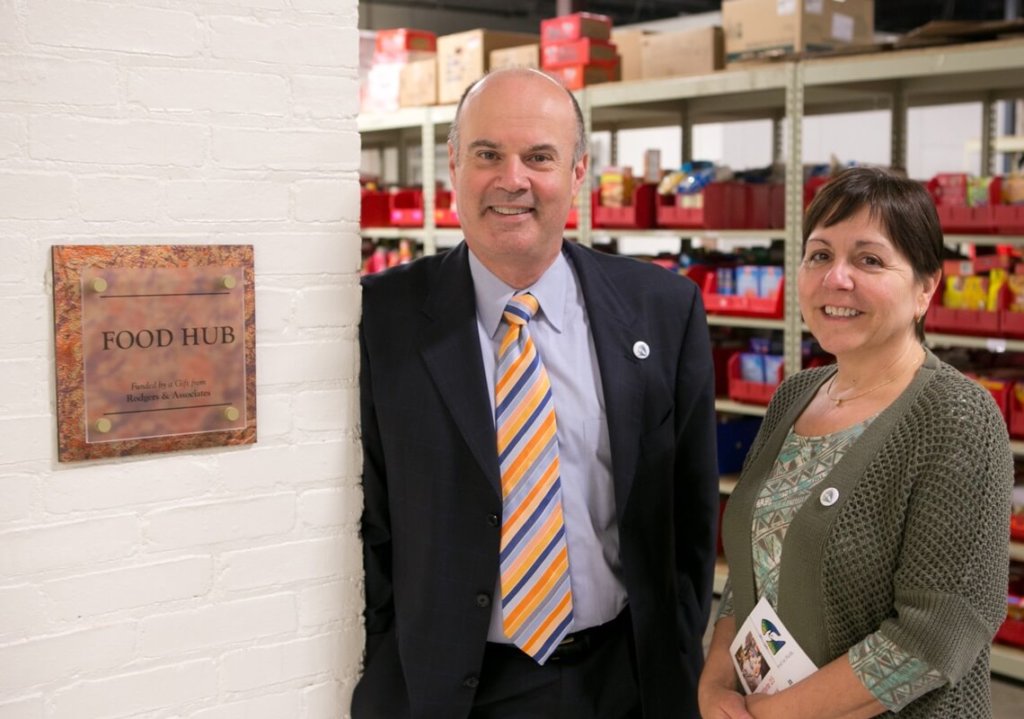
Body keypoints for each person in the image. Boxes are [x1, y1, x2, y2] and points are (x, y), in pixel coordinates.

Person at [353, 67, 719, 718]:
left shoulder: (663, 309)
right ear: (453, 165)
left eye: (539, 157)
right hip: (456, 692)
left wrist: (675, 646)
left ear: (578, 173)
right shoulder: (384, 317)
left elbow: (689, 516)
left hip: (626, 682)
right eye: (488, 154)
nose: (512, 179)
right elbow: (374, 521)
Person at [698, 166, 1014, 719]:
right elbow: (754, 572)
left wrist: (778, 713)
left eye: (869, 260)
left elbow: (938, 630)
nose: (835, 279)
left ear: (925, 287)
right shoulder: (795, 395)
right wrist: (716, 681)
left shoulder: (956, 417)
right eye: (819, 255)